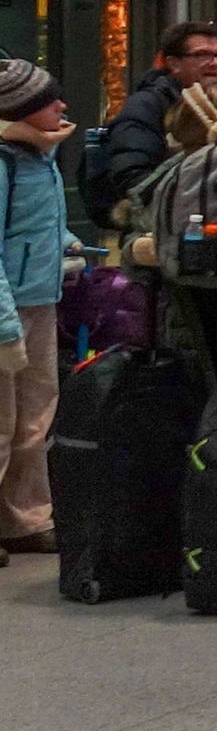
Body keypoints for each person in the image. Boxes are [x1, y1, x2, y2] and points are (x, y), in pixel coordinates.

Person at [0, 61, 71, 556]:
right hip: (8, 309)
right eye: (51, 100)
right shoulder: (4, 161)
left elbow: (33, 227)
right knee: (2, 422)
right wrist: (5, 326)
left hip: (39, 299)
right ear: (24, 110)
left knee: (34, 418)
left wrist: (67, 245)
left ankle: (24, 519)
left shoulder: (38, 156)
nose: (62, 106)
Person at [89, 19, 217, 231]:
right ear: (174, 63)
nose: (215, 63)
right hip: (161, 230)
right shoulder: (147, 106)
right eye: (202, 55)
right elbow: (132, 177)